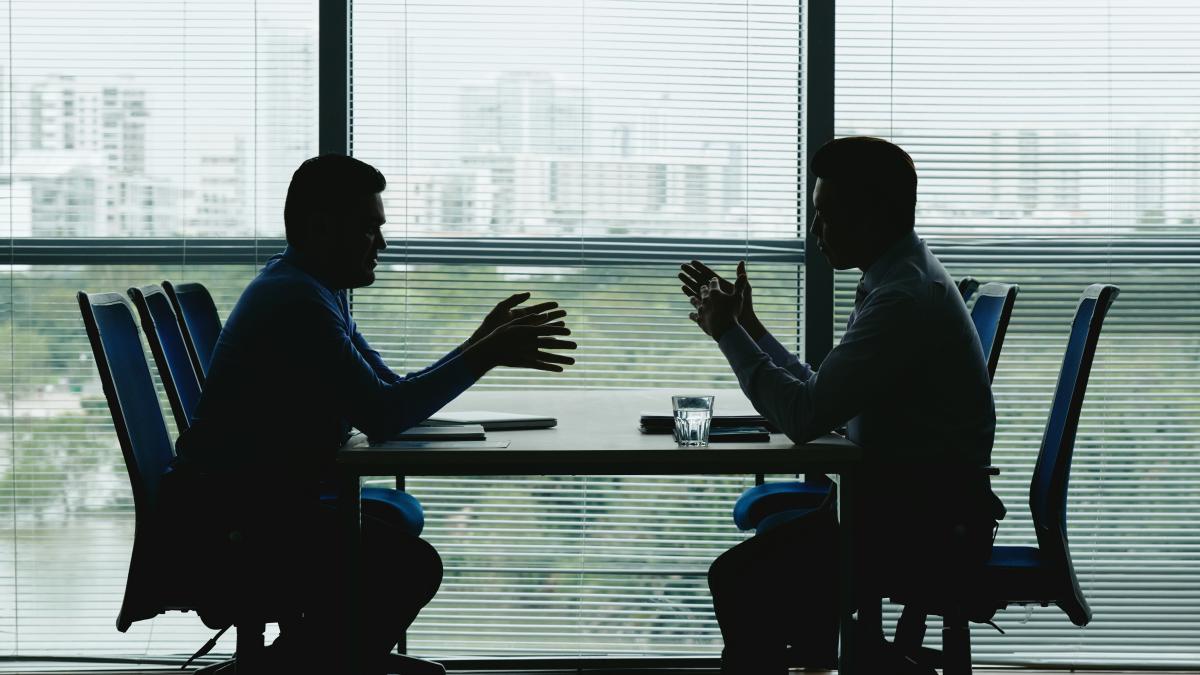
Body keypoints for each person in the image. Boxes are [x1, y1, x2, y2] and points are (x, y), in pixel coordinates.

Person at [163, 154, 577, 672]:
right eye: (368, 228)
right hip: (238, 516)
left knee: (395, 541)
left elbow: (389, 390)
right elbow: (383, 417)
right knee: (409, 567)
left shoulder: (312, 287)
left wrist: (478, 345)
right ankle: (305, 664)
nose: (380, 245)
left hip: (258, 499)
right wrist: (485, 354)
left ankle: (305, 661)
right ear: (321, 226)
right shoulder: (296, 301)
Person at [679, 137, 1002, 674]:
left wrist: (728, 333)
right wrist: (749, 328)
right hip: (903, 509)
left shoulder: (901, 299)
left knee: (740, 579)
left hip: (917, 527)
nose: (814, 233)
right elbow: (822, 393)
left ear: (872, 215)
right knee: (761, 573)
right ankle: (835, 651)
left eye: (826, 217)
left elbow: (805, 417)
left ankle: (830, 652)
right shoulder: (899, 279)